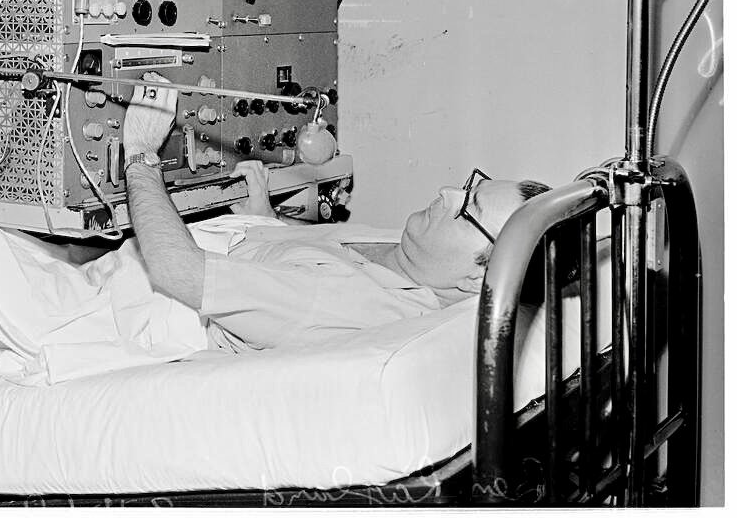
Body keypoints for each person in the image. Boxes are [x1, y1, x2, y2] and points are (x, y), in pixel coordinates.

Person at [122, 75, 550, 352]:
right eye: (471, 185)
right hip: (215, 243)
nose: (447, 192)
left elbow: (174, 271)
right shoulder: (408, 257)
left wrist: (141, 152)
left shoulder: (355, 304)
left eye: (467, 208)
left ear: (477, 279)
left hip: (138, 298)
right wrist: (264, 222)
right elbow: (307, 266)